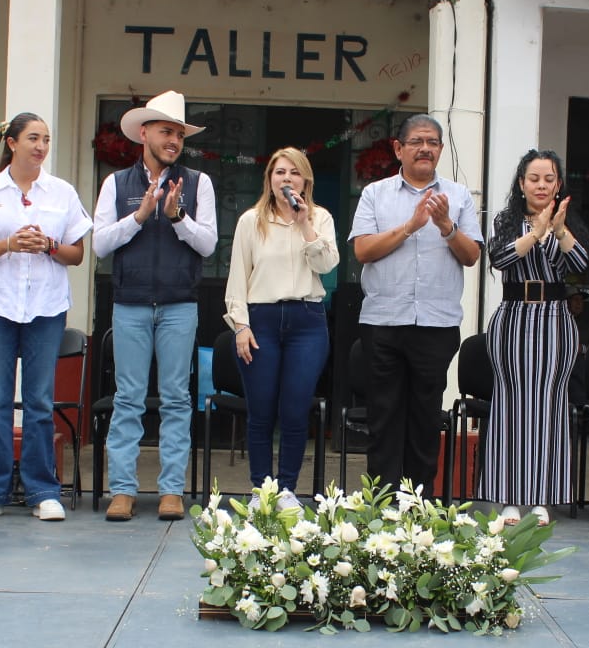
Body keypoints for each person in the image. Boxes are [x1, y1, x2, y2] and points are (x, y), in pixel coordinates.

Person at [0, 113, 91, 522]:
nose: (41, 146)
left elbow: (77, 254)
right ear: (12, 143)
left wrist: (49, 245)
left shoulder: (62, 192)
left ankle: (42, 490)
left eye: (46, 139)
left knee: (39, 400)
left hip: (46, 308)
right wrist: (8, 244)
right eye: (33, 138)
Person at [91, 91, 217, 522]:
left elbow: (209, 243)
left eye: (179, 134)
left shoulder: (199, 183)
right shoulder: (116, 183)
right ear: (144, 133)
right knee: (127, 398)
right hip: (130, 303)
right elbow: (100, 244)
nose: (174, 140)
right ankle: (122, 490)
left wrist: (178, 216)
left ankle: (171, 491)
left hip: (180, 304)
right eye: (166, 131)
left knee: (177, 398)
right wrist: (140, 216)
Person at [350, 114, 482, 494]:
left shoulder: (458, 196)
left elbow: (471, 255)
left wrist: (446, 226)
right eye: (417, 142)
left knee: (425, 419)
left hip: (436, 326)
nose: (425, 149)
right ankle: (383, 503)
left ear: (440, 150)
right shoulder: (375, 194)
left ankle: (419, 505)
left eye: (433, 142)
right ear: (399, 149)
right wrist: (410, 226)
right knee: (384, 418)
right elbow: (363, 251)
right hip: (383, 323)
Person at [478, 149, 589, 526]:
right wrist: (536, 233)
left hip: (555, 319)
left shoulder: (566, 221)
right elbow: (500, 259)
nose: (541, 185)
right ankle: (509, 499)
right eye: (534, 178)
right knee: (509, 405)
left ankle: (542, 499)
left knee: (550, 407)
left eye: (549, 179)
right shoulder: (507, 220)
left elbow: (582, 266)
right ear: (522, 183)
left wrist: (558, 231)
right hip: (513, 316)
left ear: (558, 184)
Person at [223, 147, 338, 510]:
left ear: (305, 180)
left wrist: (304, 224)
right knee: (261, 411)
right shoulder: (251, 221)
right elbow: (237, 277)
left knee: (294, 410)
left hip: (307, 321)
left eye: (294, 172)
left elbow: (327, 265)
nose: (286, 178)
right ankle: (261, 490)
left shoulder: (320, 217)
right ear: (269, 179)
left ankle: (286, 490)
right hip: (262, 319)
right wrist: (240, 325)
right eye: (279, 172)